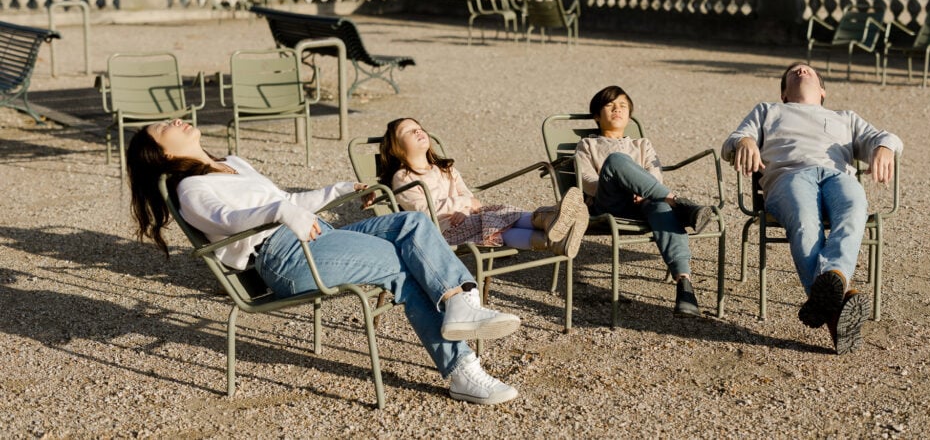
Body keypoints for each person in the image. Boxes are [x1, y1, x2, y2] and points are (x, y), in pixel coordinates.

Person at [126, 118, 522, 405]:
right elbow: (230, 221)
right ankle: (462, 370)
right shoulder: (191, 189)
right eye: (164, 127)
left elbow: (292, 202)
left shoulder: (233, 163)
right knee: (401, 264)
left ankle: (461, 302)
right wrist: (281, 212)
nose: (175, 121)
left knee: (413, 225)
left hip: (318, 236)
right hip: (285, 257)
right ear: (163, 153)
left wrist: (341, 188)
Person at [721, 62, 903, 355]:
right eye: (793, 71)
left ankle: (831, 291)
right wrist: (744, 141)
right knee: (805, 223)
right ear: (783, 94)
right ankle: (837, 304)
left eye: (808, 70)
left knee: (854, 208)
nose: (801, 70)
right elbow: (732, 141)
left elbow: (884, 137)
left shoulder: (844, 118)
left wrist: (885, 147)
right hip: (789, 176)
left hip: (836, 176)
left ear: (822, 90)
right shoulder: (768, 111)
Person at [574, 86, 715, 318]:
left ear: (629, 115)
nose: (617, 109)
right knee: (617, 160)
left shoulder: (642, 145)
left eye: (623, 106)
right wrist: (628, 184)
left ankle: (685, 285)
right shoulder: (587, 145)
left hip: (645, 203)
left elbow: (655, 173)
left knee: (660, 207)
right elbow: (587, 181)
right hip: (609, 204)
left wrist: (646, 191)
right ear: (597, 116)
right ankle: (679, 203)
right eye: (610, 105)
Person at [379, 117, 590, 258]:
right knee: (494, 225)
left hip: (468, 218)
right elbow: (423, 211)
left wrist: (464, 208)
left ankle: (553, 226)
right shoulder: (403, 177)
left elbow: (468, 195)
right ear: (396, 148)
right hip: (442, 231)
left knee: (501, 211)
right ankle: (551, 232)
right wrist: (464, 205)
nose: (418, 131)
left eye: (419, 128)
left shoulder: (445, 168)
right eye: (409, 131)